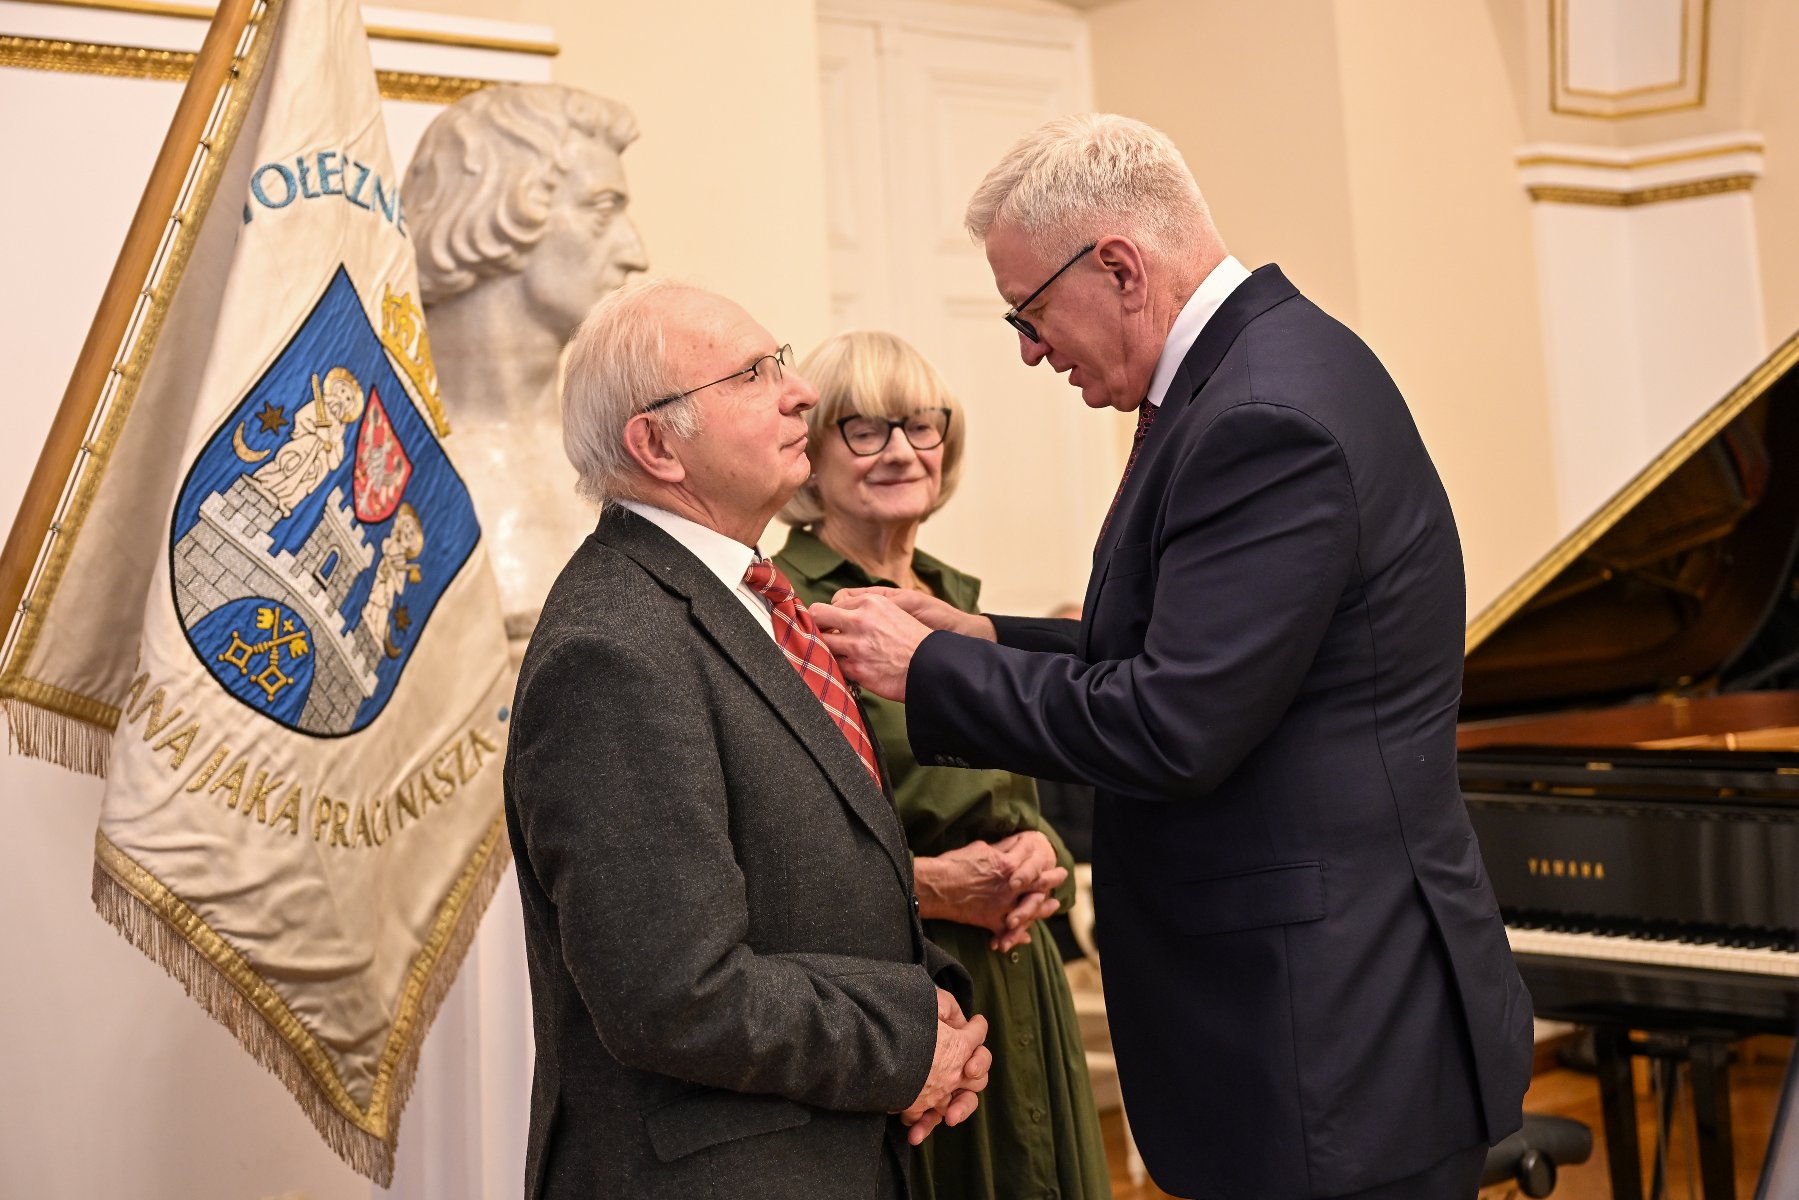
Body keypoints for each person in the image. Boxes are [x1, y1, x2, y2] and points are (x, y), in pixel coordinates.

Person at [814, 114, 1534, 1200]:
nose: (1027, 349)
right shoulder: (1262, 367)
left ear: (1117, 266)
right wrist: (988, 637)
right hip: (1316, 1012)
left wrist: (924, 672)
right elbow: (1194, 647)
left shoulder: (1262, 415)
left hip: (1322, 1032)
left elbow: (1172, 724)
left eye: (1028, 312)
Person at [504, 280, 991, 1200]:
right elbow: (672, 994)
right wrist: (904, 1042)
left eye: (783, 362)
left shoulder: (742, 602)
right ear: (656, 445)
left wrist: (942, 1016)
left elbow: (822, 886)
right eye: (754, 374)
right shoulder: (612, 648)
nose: (801, 392)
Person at [772, 330, 1112, 1200]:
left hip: (1019, 971)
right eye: (863, 428)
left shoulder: (957, 601)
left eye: (921, 425)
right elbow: (779, 855)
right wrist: (931, 888)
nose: (900, 451)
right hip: (905, 992)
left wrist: (1043, 857)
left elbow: (1014, 799)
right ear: (810, 453)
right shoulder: (783, 609)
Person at [403, 83, 651, 626]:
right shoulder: (386, 464)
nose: (637, 253)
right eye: (601, 210)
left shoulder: (635, 463)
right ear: (493, 214)